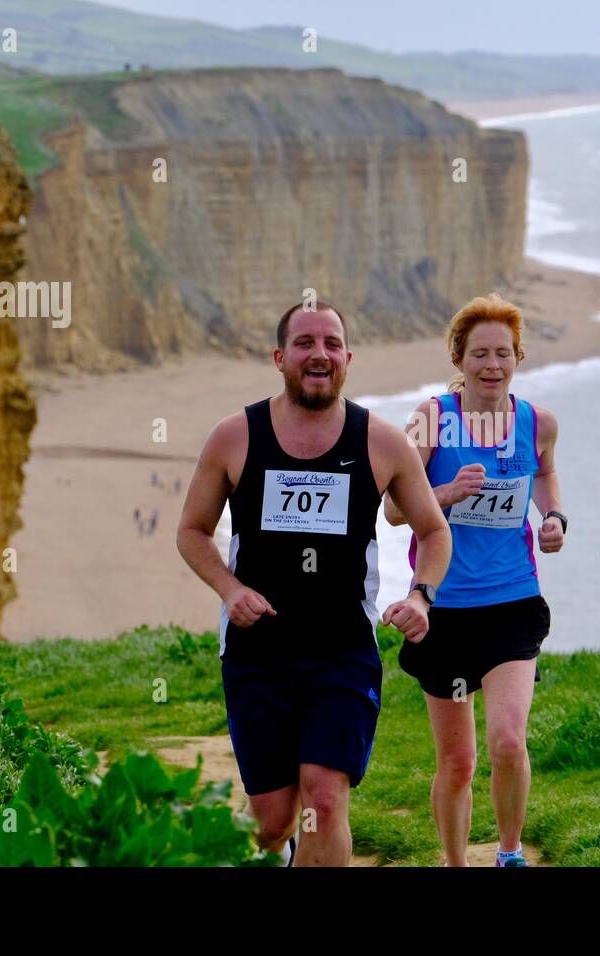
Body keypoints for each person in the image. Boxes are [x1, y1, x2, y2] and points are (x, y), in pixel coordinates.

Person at [177, 301, 451, 867]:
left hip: (342, 653)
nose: (318, 353)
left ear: (348, 359)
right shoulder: (234, 437)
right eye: (304, 343)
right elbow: (192, 531)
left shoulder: (382, 442)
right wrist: (230, 590)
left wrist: (420, 596)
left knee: (324, 802)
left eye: (331, 343)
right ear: (280, 357)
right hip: (259, 652)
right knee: (273, 820)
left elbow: (433, 530)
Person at [385, 293, 566, 867]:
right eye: (481, 353)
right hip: (442, 610)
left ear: (518, 357)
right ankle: (454, 861)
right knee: (458, 762)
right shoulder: (432, 418)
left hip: (513, 603)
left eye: (504, 353)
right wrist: (445, 494)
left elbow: (546, 475)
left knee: (509, 743)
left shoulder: (538, 422)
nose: (493, 365)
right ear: (459, 358)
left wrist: (554, 518)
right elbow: (392, 511)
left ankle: (509, 853)